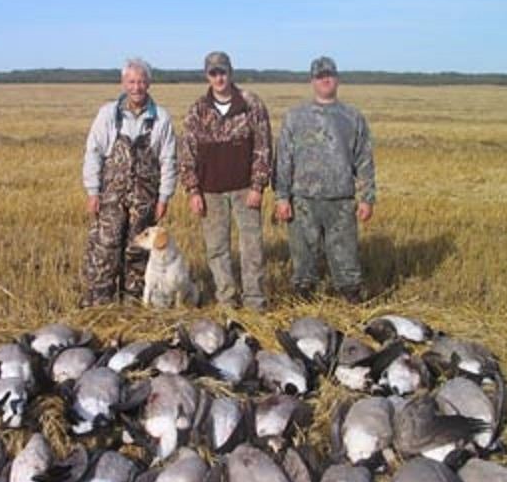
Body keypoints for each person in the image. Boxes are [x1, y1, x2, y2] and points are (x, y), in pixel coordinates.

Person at [274, 56, 376, 303]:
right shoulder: (295, 116)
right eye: (320, 76)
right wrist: (281, 197)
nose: (325, 80)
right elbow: (283, 158)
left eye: (329, 75)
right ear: (312, 81)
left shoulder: (352, 117)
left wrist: (367, 198)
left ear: (337, 79)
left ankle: (351, 302)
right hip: (302, 200)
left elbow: (364, 159)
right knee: (303, 260)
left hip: (341, 200)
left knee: (347, 259)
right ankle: (302, 302)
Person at [80, 58, 177, 306]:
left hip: (145, 198)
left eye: (141, 82)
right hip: (110, 196)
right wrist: (93, 191)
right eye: (131, 82)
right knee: (105, 248)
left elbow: (168, 160)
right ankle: (99, 303)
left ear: (149, 83)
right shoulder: (108, 114)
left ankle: (134, 304)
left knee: (138, 251)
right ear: (123, 83)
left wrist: (164, 197)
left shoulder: (161, 118)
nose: (136, 87)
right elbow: (93, 152)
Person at [179, 51, 272, 310]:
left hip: (245, 189)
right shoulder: (197, 110)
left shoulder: (251, 103)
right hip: (210, 191)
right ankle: (226, 300)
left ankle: (254, 300)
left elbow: (263, 146)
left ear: (231, 72)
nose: (219, 78)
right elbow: (187, 152)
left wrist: (258, 186)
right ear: (207, 76)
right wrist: (193, 190)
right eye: (213, 73)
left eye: (223, 72)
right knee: (216, 248)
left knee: (252, 246)